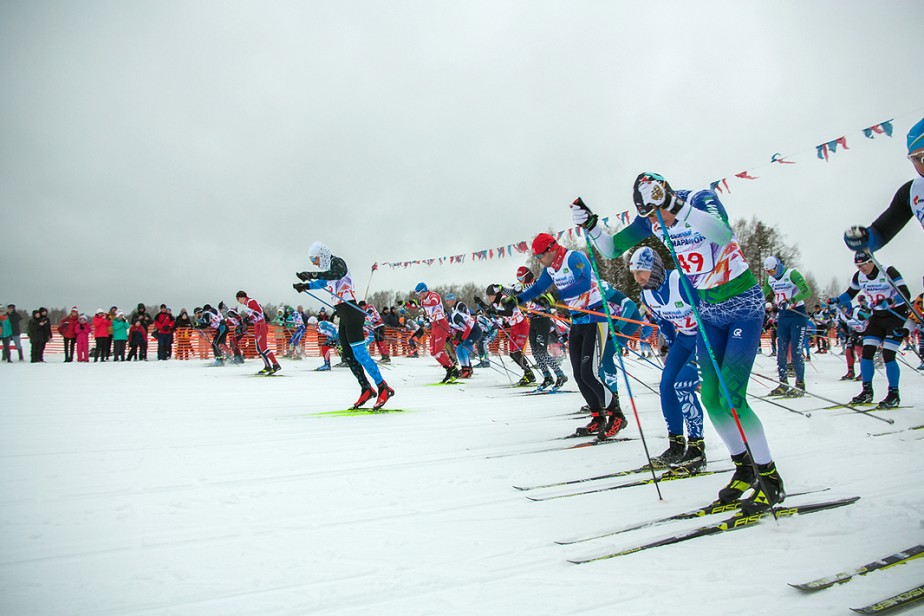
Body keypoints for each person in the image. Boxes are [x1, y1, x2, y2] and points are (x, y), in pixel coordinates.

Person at [571, 173, 785, 513]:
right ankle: (744, 468)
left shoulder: (698, 199)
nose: (658, 223)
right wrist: (593, 224)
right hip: (708, 313)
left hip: (742, 304)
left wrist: (674, 206)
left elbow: (723, 232)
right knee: (712, 399)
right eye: (652, 218)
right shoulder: (651, 220)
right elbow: (611, 248)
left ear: (665, 197)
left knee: (733, 396)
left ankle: (771, 479)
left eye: (659, 214)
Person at [516, 233, 632, 441]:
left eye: (540, 256)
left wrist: (561, 293)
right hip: (577, 321)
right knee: (579, 374)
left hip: (595, 318)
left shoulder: (574, 258)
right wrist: (517, 300)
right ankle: (598, 417)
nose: (539, 260)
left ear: (551, 249)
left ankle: (617, 415)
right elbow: (538, 288)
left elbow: (585, 282)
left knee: (590, 373)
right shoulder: (549, 267)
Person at [628, 246, 707, 472]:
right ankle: (676, 443)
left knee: (683, 385)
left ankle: (696, 447)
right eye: (634, 273)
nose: (638, 278)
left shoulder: (679, 281)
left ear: (654, 268)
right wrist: (671, 346)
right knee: (667, 386)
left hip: (704, 338)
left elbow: (708, 309)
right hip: (683, 340)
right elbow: (663, 322)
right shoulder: (647, 294)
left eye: (641, 271)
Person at [295, 241, 394, 409]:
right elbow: (322, 282)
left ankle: (384, 387)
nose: (314, 263)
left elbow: (337, 273)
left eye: (315, 259)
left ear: (323, 254)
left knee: (361, 354)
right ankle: (366, 389)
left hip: (353, 313)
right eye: (312, 260)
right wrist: (305, 286)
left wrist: (311, 274)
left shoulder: (337, 262)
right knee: (348, 355)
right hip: (344, 316)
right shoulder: (328, 274)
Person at [837, 251, 910, 408]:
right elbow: (850, 293)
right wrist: (837, 299)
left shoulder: (888, 271)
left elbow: (905, 293)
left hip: (895, 316)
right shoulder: (859, 276)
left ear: (872, 261)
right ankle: (867, 391)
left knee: (888, 354)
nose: (861, 268)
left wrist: (890, 301)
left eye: (863, 265)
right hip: (877, 318)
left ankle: (893, 393)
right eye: (858, 266)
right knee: (867, 352)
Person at [843, 117, 924, 253]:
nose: (922, 164)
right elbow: (881, 231)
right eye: (916, 158)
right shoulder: (911, 192)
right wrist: (863, 238)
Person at [762, 255, 811, 397]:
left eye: (772, 270)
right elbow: (763, 294)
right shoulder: (769, 279)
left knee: (796, 350)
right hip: (783, 316)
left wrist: (792, 300)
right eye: (768, 272)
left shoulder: (792, 274)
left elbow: (806, 291)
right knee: (781, 350)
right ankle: (783, 383)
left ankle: (800, 384)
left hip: (797, 314)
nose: (771, 274)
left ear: (778, 266)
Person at [517, 266, 568, 390]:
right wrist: (502, 289)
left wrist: (537, 299)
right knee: (535, 352)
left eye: (521, 278)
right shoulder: (522, 287)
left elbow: (546, 299)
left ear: (527, 276)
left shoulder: (538, 285)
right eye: (518, 278)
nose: (520, 281)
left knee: (542, 351)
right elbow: (511, 293)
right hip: (532, 320)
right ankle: (547, 377)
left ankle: (560, 374)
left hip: (542, 320)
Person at [483, 283, 535, 386]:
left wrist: (496, 311)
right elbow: (489, 311)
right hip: (514, 328)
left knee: (516, 352)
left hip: (521, 326)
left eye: (490, 296)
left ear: (496, 294)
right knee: (511, 353)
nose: (489, 298)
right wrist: (484, 308)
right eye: (488, 297)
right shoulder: (496, 303)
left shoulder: (505, 299)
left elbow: (509, 312)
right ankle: (527, 373)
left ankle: (529, 374)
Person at [413, 282, 457, 382]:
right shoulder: (423, 300)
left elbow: (434, 302)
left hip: (441, 324)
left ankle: (454, 369)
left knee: (438, 351)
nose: (419, 296)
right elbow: (417, 306)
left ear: (424, 291)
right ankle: (449, 369)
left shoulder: (433, 295)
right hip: (434, 326)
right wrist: (407, 305)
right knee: (433, 352)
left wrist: (421, 303)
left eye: (419, 294)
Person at [235, 291, 281, 375]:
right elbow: (254, 314)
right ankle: (267, 366)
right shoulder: (247, 304)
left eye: (238, 299)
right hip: (257, 326)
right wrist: (247, 320)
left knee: (263, 347)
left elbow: (258, 311)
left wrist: (249, 318)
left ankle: (275, 364)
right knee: (258, 349)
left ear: (242, 297)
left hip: (261, 326)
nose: (238, 301)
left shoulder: (250, 302)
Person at [445, 293, 483, 378]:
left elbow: (467, 328)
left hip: (474, 330)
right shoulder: (453, 313)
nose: (446, 302)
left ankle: (467, 369)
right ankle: (465, 368)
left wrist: (462, 339)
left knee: (463, 348)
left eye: (447, 300)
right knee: (459, 349)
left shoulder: (456, 313)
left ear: (453, 300)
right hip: (470, 330)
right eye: (445, 301)